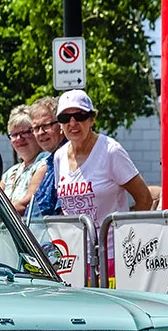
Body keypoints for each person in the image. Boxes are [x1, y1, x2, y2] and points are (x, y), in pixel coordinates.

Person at [53, 89, 152, 281]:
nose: (72, 123)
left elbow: (144, 198)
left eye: (80, 115)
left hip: (113, 257)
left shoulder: (110, 151)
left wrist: (128, 238)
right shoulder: (59, 157)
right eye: (66, 118)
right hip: (76, 258)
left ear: (92, 120)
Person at [0, 106, 48, 215]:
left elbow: (27, 204)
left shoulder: (44, 163)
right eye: (14, 134)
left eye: (25, 132)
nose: (19, 139)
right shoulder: (11, 172)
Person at [23, 96, 67, 219]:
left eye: (46, 126)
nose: (41, 133)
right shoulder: (49, 161)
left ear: (60, 125)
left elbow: (64, 211)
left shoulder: (69, 158)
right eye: (36, 128)